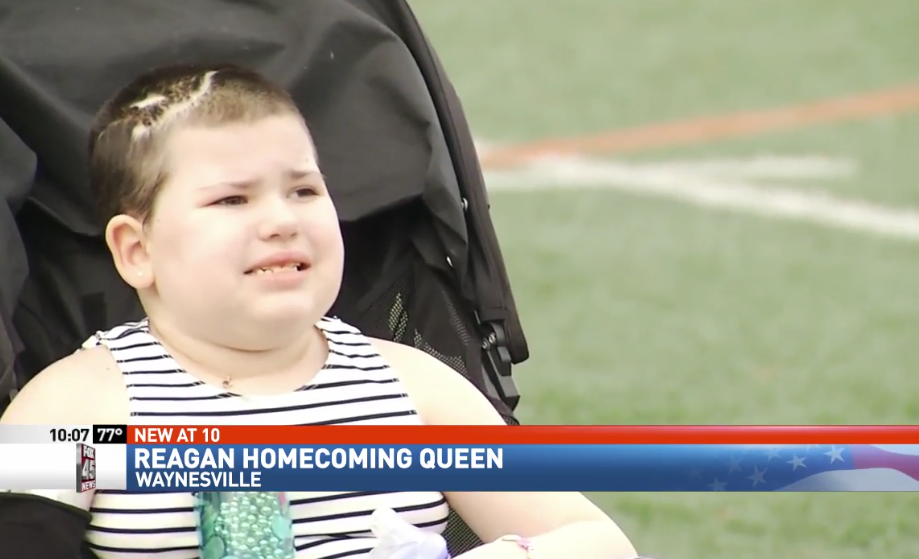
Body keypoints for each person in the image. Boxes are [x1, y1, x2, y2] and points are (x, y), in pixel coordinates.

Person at [0, 63, 637, 559]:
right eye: (231, 200)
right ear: (137, 251)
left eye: (304, 189)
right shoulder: (81, 411)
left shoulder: (409, 389)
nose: (282, 219)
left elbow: (598, 540)